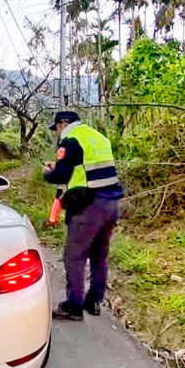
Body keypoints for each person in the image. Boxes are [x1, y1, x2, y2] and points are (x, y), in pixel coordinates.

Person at [42, 110, 124, 320]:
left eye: (56, 128)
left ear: (63, 124)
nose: (56, 133)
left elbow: (61, 175)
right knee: (99, 255)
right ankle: (94, 301)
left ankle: (73, 306)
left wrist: (48, 172)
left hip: (89, 206)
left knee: (74, 256)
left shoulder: (70, 141)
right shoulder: (99, 137)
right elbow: (86, 167)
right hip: (112, 203)